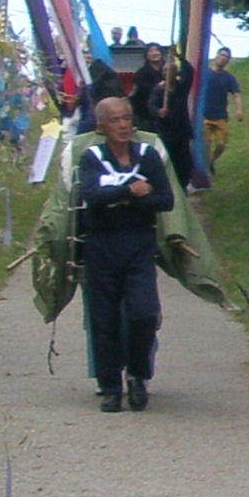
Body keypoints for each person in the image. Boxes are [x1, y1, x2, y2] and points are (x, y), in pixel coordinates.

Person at [75, 95, 173, 412]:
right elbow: (92, 195)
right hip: (101, 245)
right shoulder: (91, 157)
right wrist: (129, 191)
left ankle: (137, 375)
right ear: (102, 126)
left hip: (138, 243)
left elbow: (164, 200)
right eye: (115, 120)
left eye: (127, 118)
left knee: (143, 313)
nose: (123, 125)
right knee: (104, 320)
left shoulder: (147, 156)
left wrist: (118, 199)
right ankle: (110, 387)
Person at [199, 46, 244, 172]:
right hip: (205, 116)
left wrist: (239, 109)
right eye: (222, 55)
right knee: (205, 144)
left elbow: (236, 94)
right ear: (216, 56)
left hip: (220, 116)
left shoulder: (228, 78)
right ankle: (206, 168)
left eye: (226, 57)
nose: (223, 59)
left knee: (221, 144)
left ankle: (211, 162)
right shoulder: (205, 74)